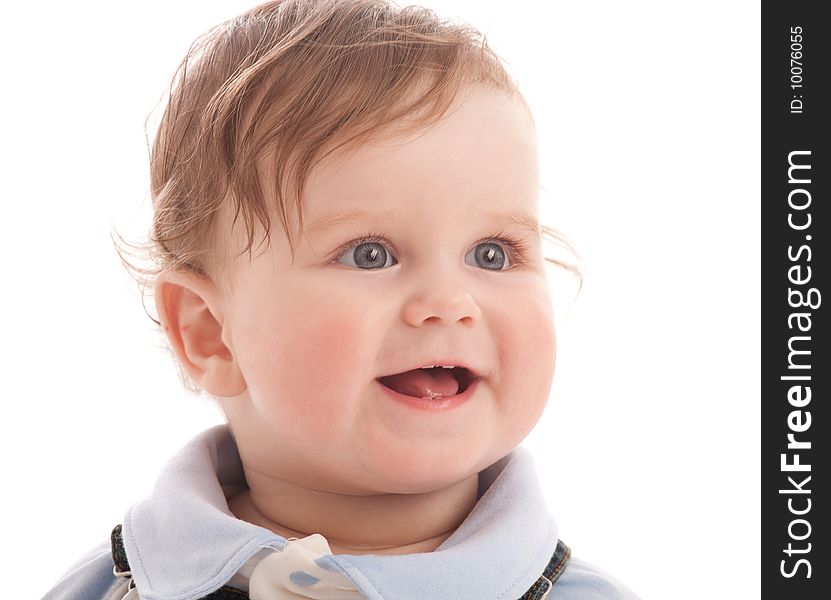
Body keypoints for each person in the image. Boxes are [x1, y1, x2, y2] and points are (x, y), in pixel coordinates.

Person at [43, 1, 641, 598]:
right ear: (210, 333)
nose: (449, 302)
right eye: (370, 254)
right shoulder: (116, 586)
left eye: (492, 253)